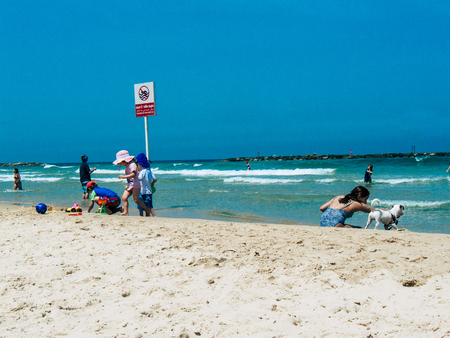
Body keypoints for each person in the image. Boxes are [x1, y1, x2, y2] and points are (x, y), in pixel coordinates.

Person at [113, 150, 151, 216]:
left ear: (125, 160)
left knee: (136, 200)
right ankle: (125, 212)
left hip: (135, 184)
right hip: (130, 184)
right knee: (124, 198)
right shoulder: (127, 165)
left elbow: (133, 174)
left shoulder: (132, 164)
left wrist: (123, 177)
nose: (121, 164)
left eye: (121, 162)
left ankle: (147, 210)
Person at [135, 153, 157, 217]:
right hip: (149, 191)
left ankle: (141, 216)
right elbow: (155, 179)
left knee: (141, 206)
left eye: (137, 165)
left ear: (140, 164)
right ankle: (152, 216)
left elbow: (139, 179)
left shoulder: (143, 171)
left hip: (143, 192)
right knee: (150, 206)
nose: (137, 167)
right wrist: (152, 183)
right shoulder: (149, 170)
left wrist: (136, 175)